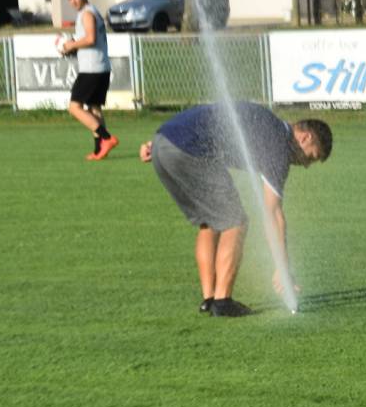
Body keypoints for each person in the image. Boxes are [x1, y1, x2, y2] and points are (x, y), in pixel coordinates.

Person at [141, 102, 332, 316]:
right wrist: (282, 268)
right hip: (187, 149)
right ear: (306, 138)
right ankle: (223, 302)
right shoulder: (279, 146)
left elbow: (206, 117)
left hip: (163, 141)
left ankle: (209, 298)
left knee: (210, 221)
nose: (306, 165)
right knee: (236, 221)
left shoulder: (267, 123)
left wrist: (161, 145)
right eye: (311, 157)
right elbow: (273, 213)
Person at [58, 0, 116, 160]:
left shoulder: (87, 13)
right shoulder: (91, 11)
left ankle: (107, 138)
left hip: (92, 69)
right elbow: (90, 40)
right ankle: (99, 150)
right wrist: (73, 48)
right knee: (94, 109)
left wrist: (70, 45)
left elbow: (90, 38)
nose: (73, 1)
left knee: (74, 107)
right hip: (101, 67)